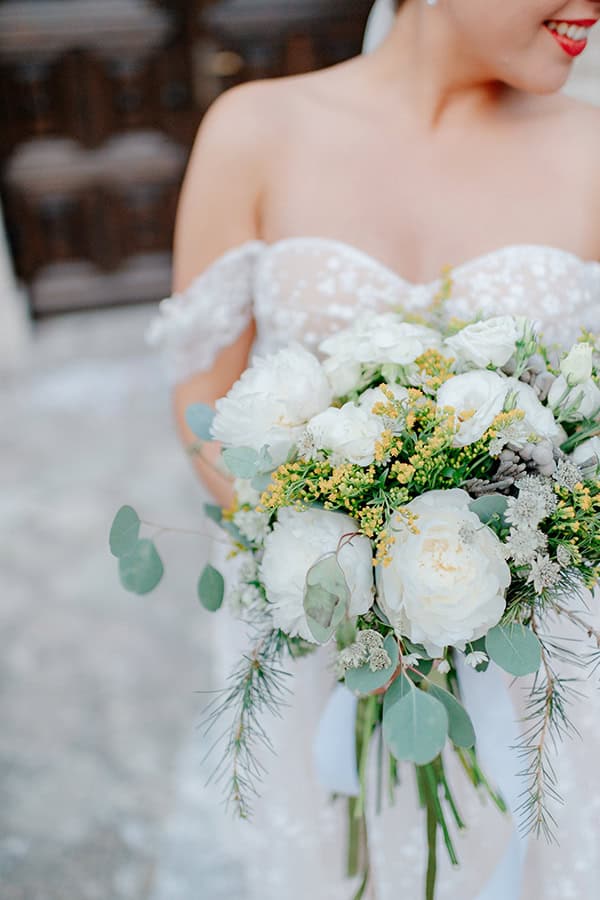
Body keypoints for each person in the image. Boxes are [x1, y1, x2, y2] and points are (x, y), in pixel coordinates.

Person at [147, 1, 600, 897]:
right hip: (316, 633)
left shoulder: (592, 147)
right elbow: (203, 395)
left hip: (539, 651)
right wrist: (337, 565)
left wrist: (497, 568)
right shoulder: (256, 129)